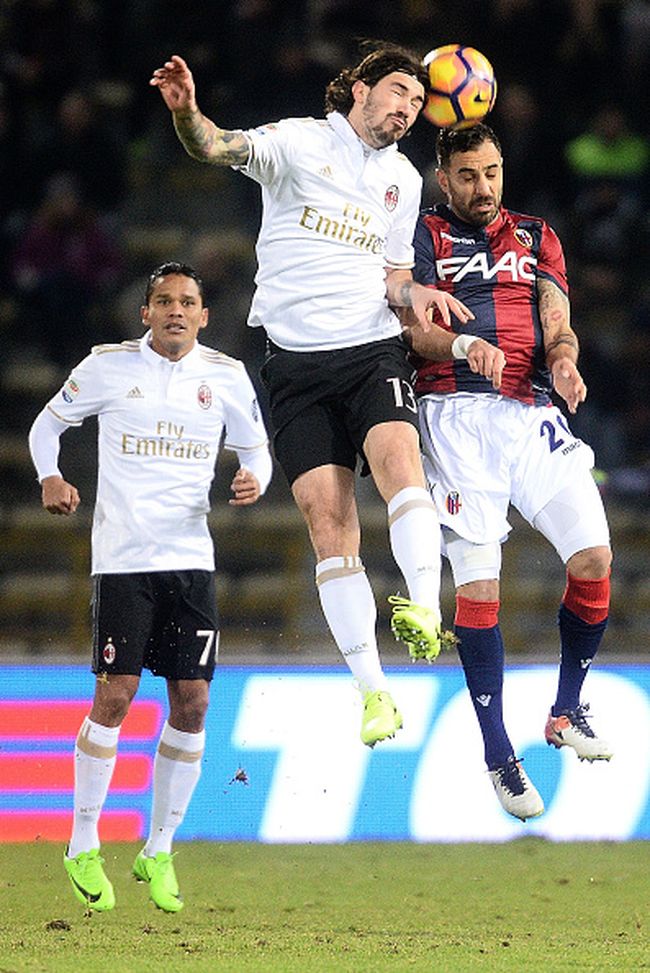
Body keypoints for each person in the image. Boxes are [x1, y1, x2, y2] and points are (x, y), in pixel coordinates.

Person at [150, 43, 473, 748]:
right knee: (330, 529)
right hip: (295, 365)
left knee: (400, 467)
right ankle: (374, 693)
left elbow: (392, 277)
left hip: (369, 350)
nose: (407, 109)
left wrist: (415, 291)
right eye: (396, 92)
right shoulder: (295, 143)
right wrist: (188, 113)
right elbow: (214, 146)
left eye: (418, 103)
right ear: (358, 89)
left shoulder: (402, 182)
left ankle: (422, 605)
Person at [28, 262, 272, 912]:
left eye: (187, 301)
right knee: (117, 694)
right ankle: (83, 840)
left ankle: (158, 848)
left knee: (192, 703)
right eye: (163, 300)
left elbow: (258, 450)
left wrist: (255, 478)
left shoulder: (225, 376)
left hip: (191, 560)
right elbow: (46, 426)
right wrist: (49, 476)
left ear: (203, 315)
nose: (175, 310)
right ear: (145, 312)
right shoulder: (107, 366)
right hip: (123, 559)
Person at [405, 123, 613, 821]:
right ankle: (499, 752)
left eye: (492, 171)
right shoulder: (424, 236)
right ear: (445, 180)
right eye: (468, 175)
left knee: (593, 558)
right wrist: (466, 343)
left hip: (531, 411)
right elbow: (414, 326)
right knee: (480, 584)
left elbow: (558, 317)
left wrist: (563, 357)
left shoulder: (535, 234)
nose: (483, 186)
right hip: (455, 414)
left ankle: (565, 708)